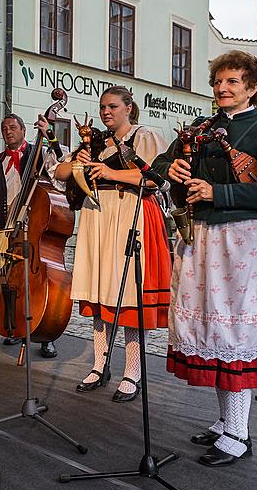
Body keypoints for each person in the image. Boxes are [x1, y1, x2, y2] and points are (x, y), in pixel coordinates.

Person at [153, 50, 257, 466]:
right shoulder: (201, 129)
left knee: (235, 333)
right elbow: (163, 165)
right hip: (202, 238)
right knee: (215, 332)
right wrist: (175, 170)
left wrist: (220, 193)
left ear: (252, 87)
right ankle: (224, 422)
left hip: (245, 243)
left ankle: (239, 432)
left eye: (233, 82)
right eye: (219, 81)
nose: (222, 88)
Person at [53, 86, 171, 403]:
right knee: (98, 292)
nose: (107, 112)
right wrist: (78, 161)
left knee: (128, 298)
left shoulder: (144, 136)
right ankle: (100, 364)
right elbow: (61, 172)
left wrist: (110, 172)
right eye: (103, 107)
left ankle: (132, 372)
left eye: (113, 107)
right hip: (97, 218)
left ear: (129, 108)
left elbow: (156, 180)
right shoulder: (95, 144)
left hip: (129, 215)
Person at [0, 113, 64, 357]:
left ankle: (45, 334)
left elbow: (59, 169)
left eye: (13, 127)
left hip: (37, 231)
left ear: (24, 130)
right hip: (8, 230)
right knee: (10, 283)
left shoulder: (40, 153)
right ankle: (16, 328)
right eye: (4, 128)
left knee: (41, 284)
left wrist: (50, 137)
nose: (8, 131)